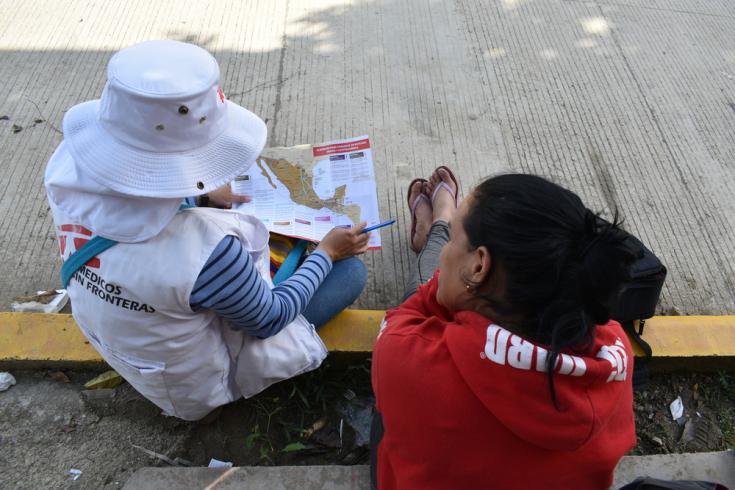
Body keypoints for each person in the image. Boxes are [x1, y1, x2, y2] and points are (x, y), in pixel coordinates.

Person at [44, 40, 370, 421]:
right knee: (349, 272)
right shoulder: (207, 252)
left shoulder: (66, 173)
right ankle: (226, 400)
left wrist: (194, 193)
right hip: (197, 389)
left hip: (124, 348)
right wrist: (326, 254)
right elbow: (269, 319)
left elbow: (131, 204)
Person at [371, 169, 637, 489]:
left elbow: (411, 313)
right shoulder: (614, 349)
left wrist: (460, 284)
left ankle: (435, 228)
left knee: (420, 291)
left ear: (480, 265)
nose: (447, 254)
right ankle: (439, 225)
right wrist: (468, 278)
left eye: (453, 239)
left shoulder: (406, 357)